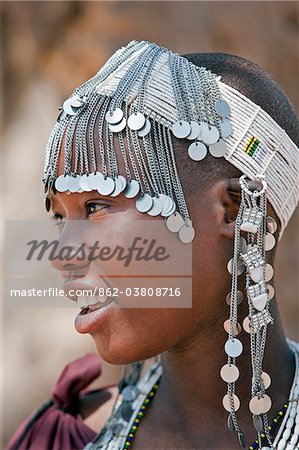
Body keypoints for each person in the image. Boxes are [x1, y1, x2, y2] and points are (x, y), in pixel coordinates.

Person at [8, 41, 299, 450]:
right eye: (60, 216)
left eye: (96, 205)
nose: (60, 254)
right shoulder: (67, 437)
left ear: (232, 212)